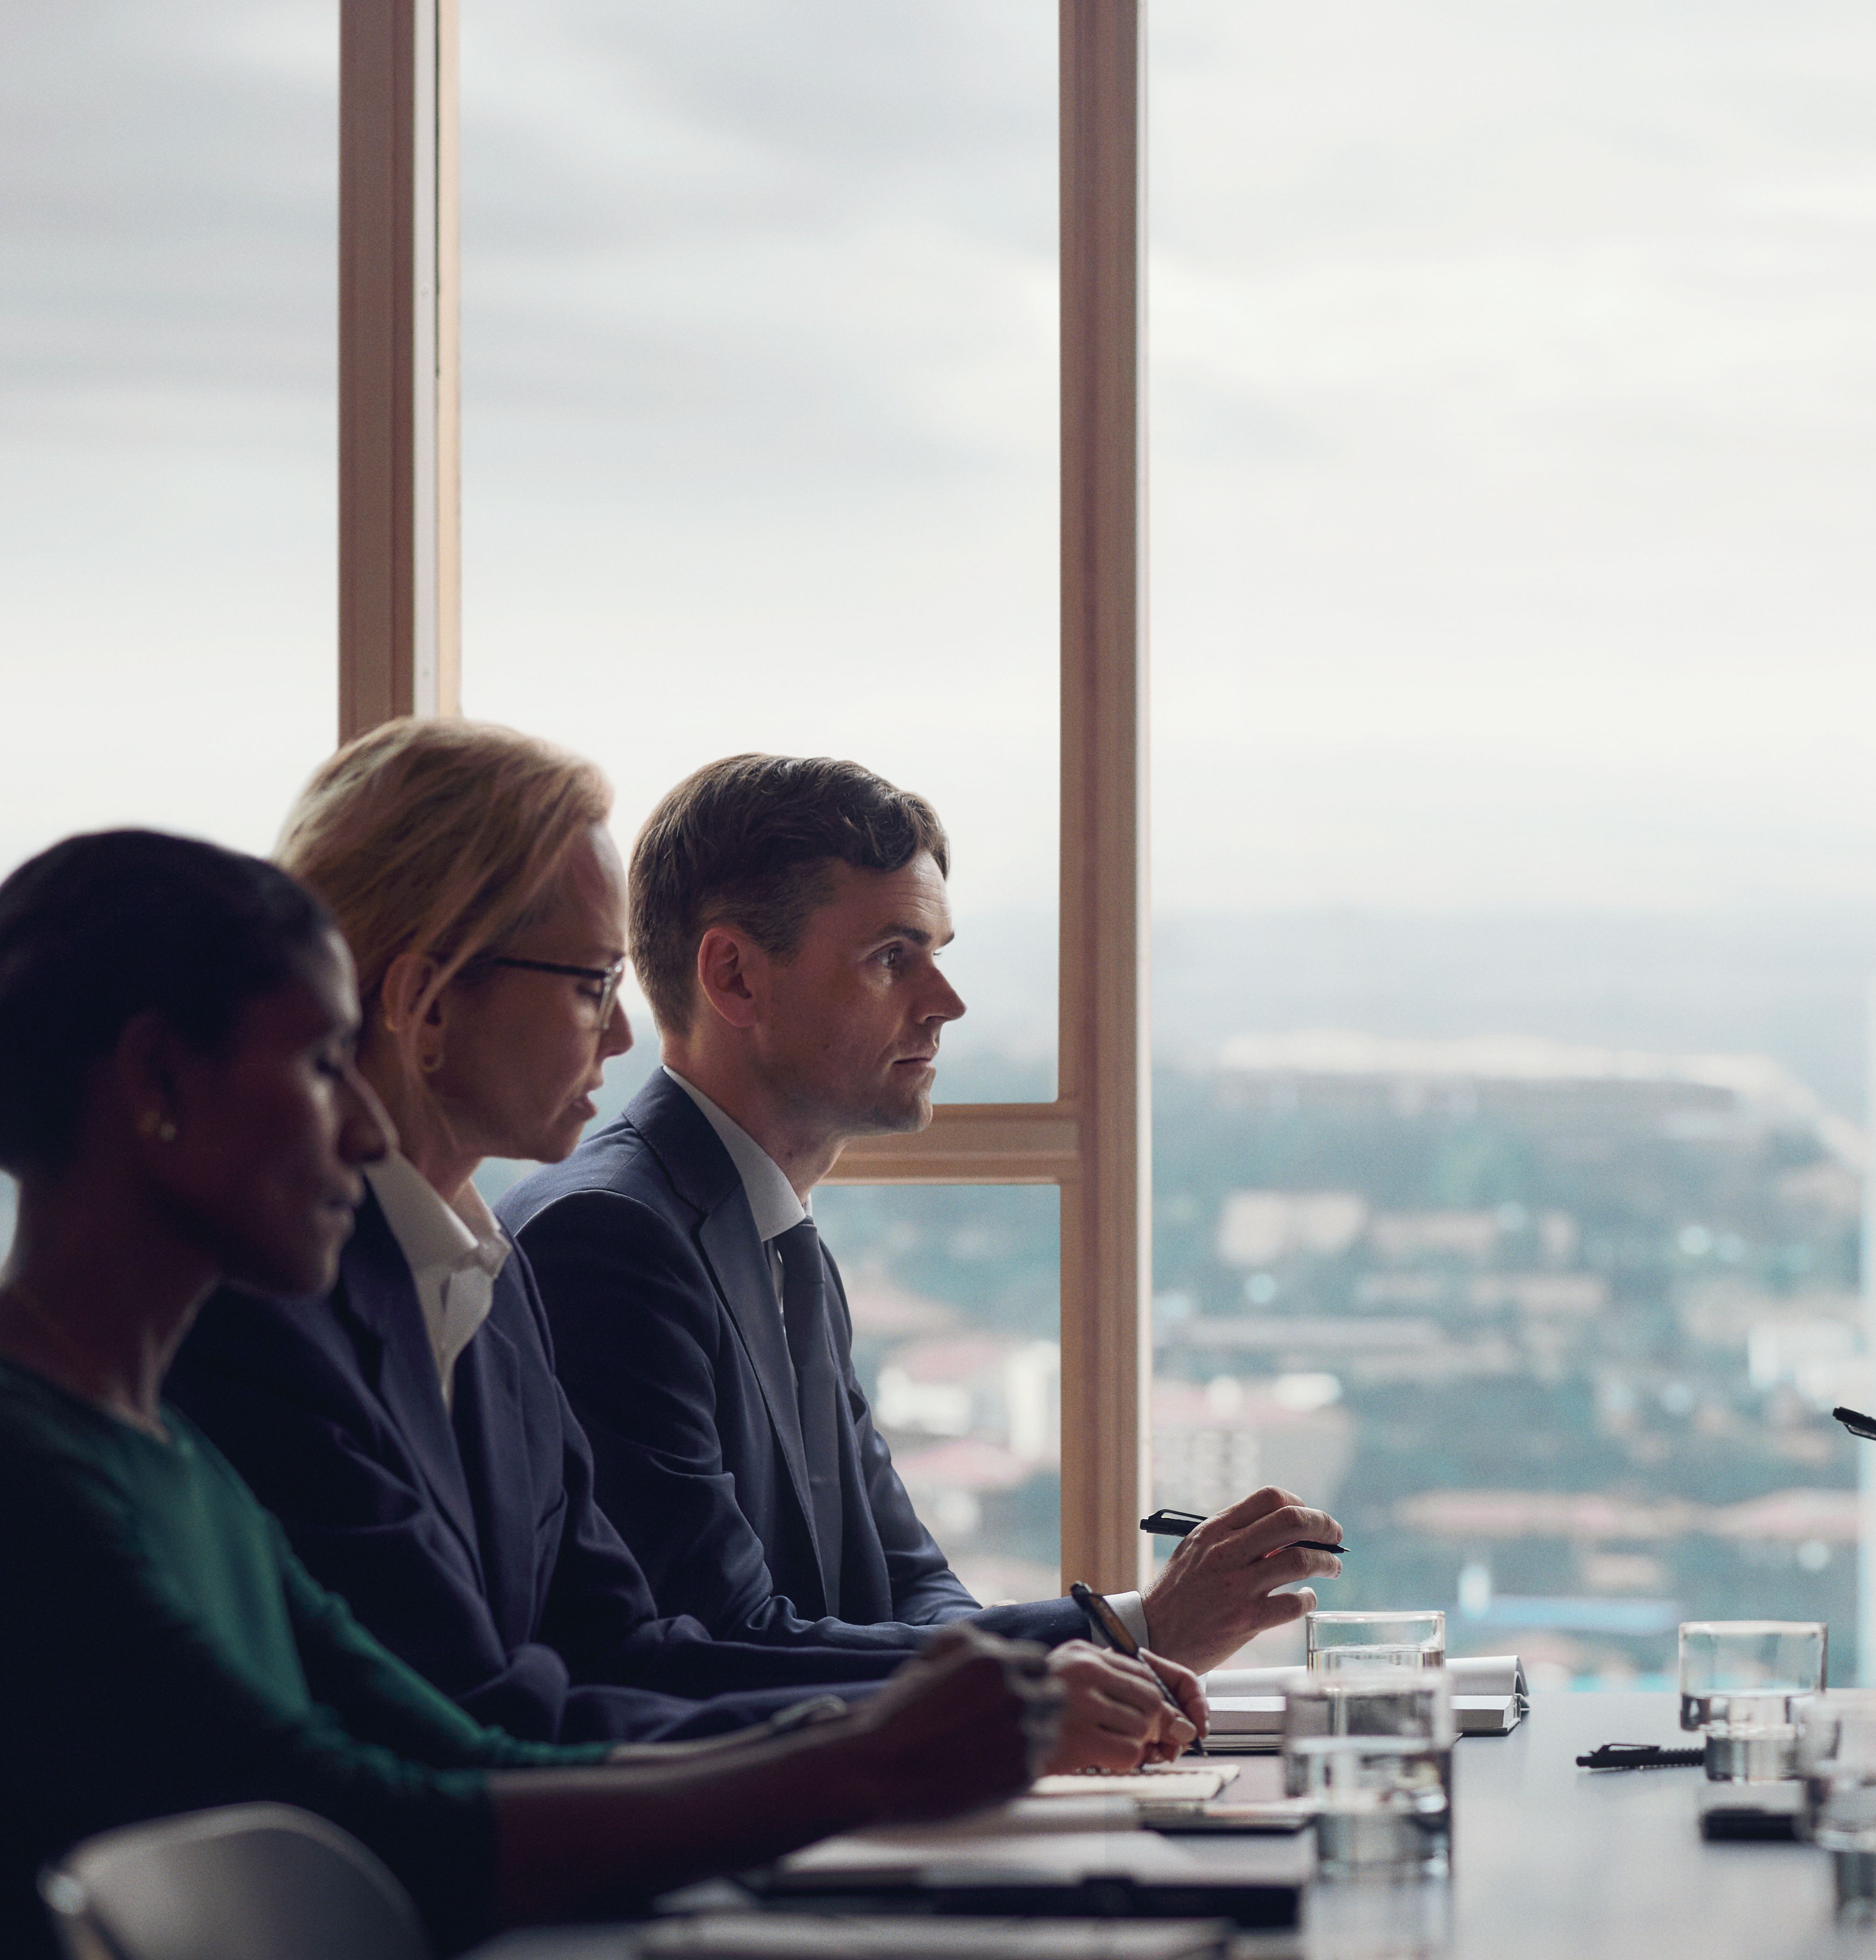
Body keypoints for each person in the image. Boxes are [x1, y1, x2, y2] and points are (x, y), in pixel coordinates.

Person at [0, 833, 1062, 1960]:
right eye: (323, 1067)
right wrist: (859, 1767)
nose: (362, 1132)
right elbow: (380, 1821)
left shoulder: (158, 1452)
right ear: (156, 1082)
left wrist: (865, 1747)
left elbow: (459, 1757)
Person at [163, 721, 1195, 1756]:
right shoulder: (349, 1297)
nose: (621, 1034)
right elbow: (492, 1726)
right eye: (588, 984)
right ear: (422, 1006)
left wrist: (1026, 1692)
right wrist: (962, 1719)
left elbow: (632, 1653)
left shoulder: (494, 1284)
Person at [498, 753, 1334, 1661]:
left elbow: (908, 1582)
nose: (947, 1002)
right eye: (892, 957)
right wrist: (1129, 1631)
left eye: (937, 954)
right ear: (734, 976)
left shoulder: (779, 1244)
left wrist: (1091, 1666)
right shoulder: (610, 1243)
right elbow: (722, 1648)